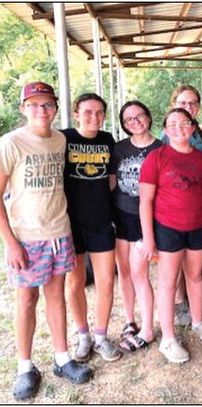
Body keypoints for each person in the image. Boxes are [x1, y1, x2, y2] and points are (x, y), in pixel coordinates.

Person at [0, 82, 92, 401]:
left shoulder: (60, 140)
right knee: (26, 300)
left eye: (48, 104)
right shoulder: (10, 143)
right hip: (26, 237)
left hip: (59, 231)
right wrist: (10, 242)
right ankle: (25, 367)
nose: (42, 110)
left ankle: (62, 358)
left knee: (56, 295)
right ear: (24, 108)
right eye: (35, 104)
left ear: (55, 108)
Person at [139, 108, 202, 364]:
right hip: (168, 228)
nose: (179, 128)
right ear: (165, 129)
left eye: (184, 123)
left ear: (193, 127)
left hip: (200, 227)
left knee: (196, 276)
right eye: (172, 123)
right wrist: (149, 238)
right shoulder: (156, 157)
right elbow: (145, 201)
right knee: (168, 281)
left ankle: (198, 320)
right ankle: (168, 339)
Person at [61, 93, 121, 362]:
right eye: (87, 112)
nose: (94, 117)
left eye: (99, 112)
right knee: (75, 282)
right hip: (70, 222)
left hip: (100, 222)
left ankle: (100, 335)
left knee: (106, 280)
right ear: (76, 113)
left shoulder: (107, 140)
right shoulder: (64, 138)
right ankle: (83, 335)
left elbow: (111, 180)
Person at [112, 101, 162, 351]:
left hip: (147, 218)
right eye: (129, 119)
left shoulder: (160, 148)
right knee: (124, 271)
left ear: (148, 117)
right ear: (124, 124)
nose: (135, 121)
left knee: (139, 272)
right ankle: (130, 320)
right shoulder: (119, 148)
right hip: (122, 215)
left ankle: (148, 327)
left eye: (140, 116)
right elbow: (112, 182)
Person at [165, 84, 202, 326]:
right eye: (183, 103)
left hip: (198, 208)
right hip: (173, 212)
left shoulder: (198, 132)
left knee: (192, 265)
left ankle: (194, 309)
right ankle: (180, 303)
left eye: (193, 103)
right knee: (177, 265)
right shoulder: (170, 135)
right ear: (175, 104)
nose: (189, 107)